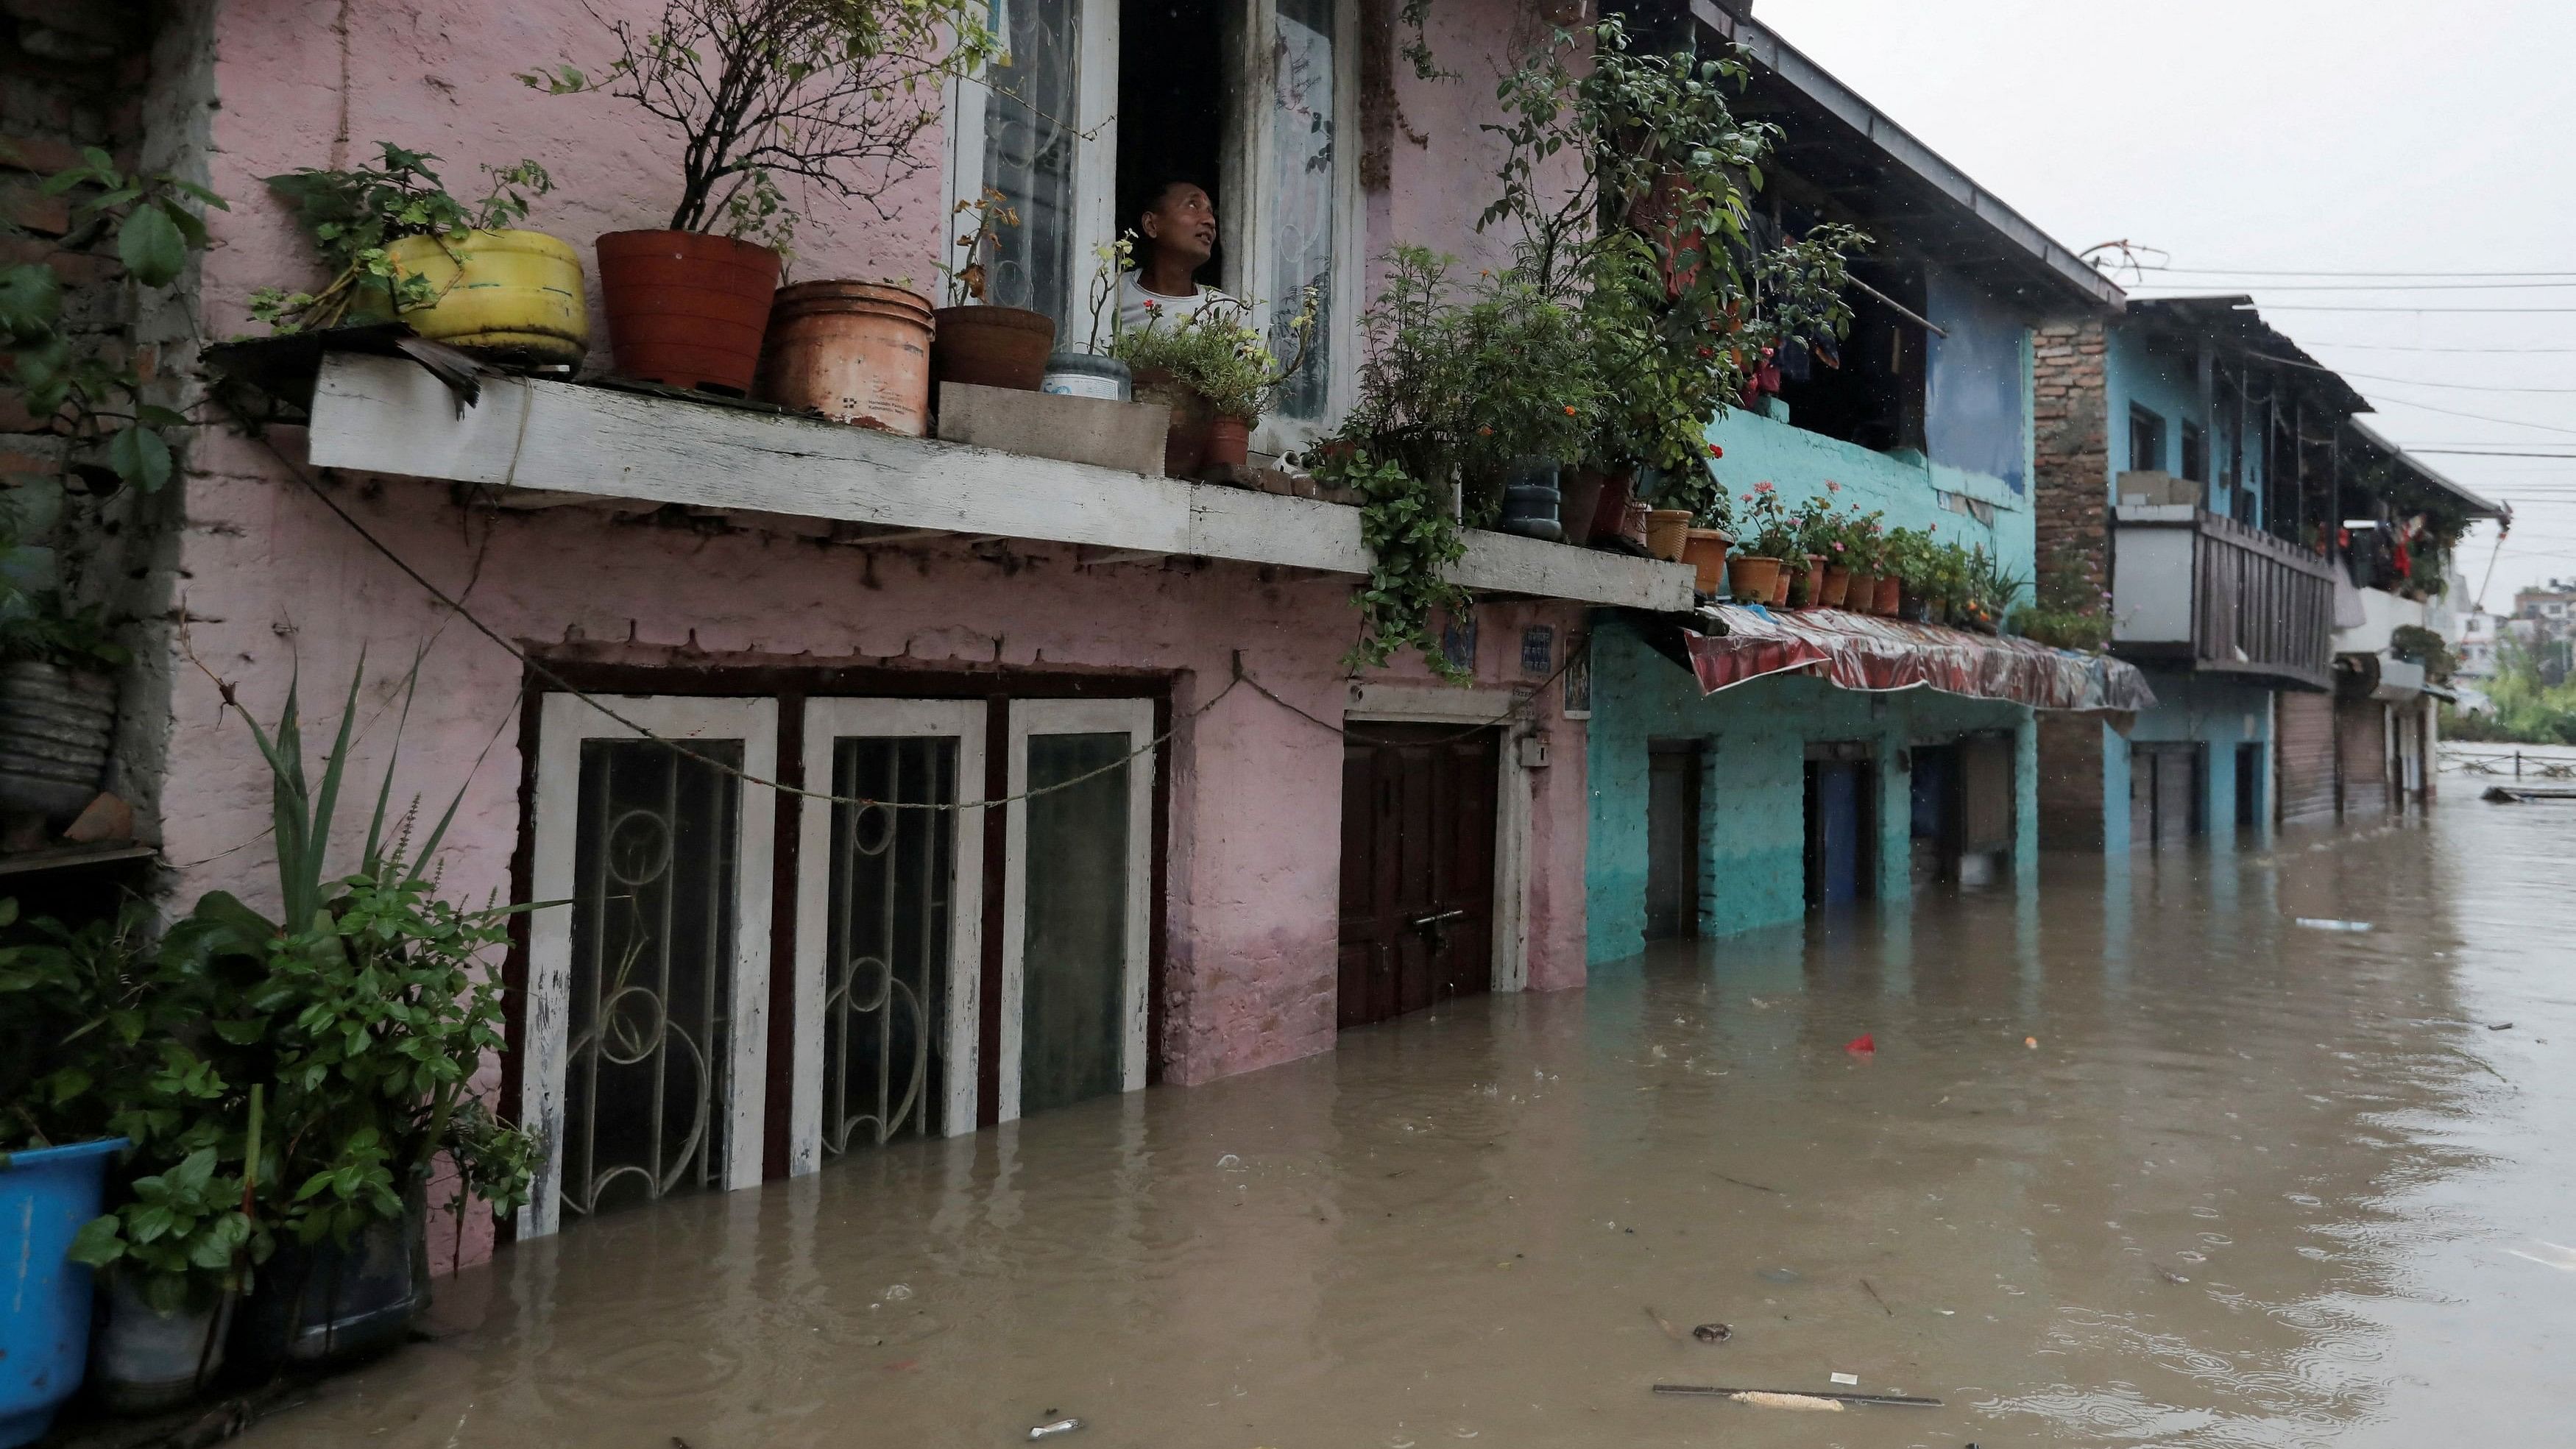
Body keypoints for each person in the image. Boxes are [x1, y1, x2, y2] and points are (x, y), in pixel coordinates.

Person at [1117, 180, 1242, 333]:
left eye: (1210, 211)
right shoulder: (1112, 294)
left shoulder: (1227, 314)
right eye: (1192, 206)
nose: (1210, 221)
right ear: (1151, 225)